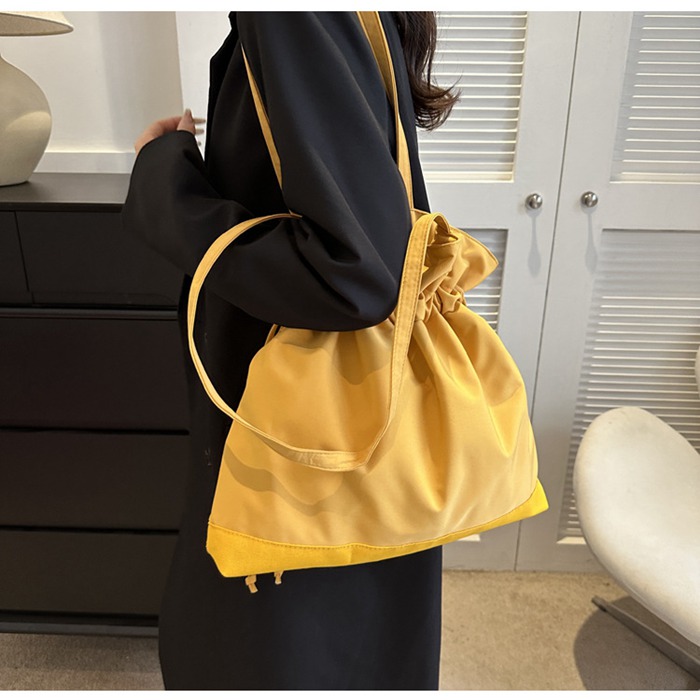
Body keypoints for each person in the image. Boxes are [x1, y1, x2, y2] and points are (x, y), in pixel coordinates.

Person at [121, 11, 459, 690]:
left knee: (265, 643)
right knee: (340, 633)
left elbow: (355, 274)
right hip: (331, 413)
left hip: (287, 427)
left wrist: (164, 180)